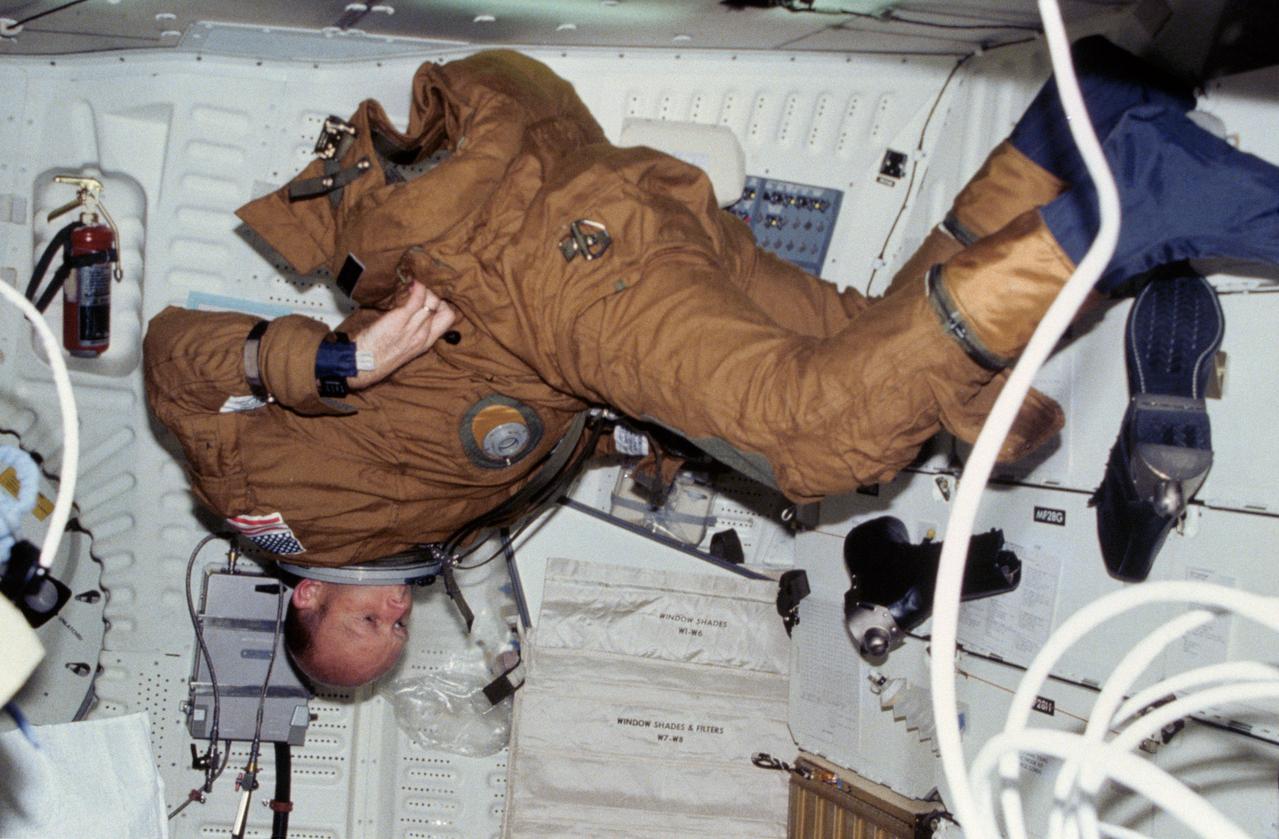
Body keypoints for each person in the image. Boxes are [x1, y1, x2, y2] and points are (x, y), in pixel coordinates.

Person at [144, 43, 1279, 688]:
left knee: (816, 437)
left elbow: (173, 361)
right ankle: (1074, 124)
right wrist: (637, 439)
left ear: (303, 599)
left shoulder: (269, 511)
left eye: (363, 629)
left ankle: (1145, 202)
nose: (393, 620)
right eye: (395, 638)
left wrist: (332, 356)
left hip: (537, 272)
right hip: (578, 268)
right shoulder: (421, 533)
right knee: (864, 344)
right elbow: (474, 416)